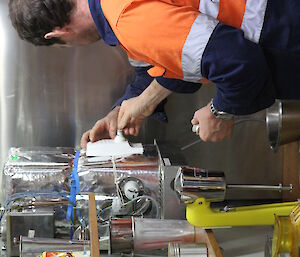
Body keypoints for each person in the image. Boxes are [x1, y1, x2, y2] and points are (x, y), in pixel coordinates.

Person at [8, 0, 300, 146]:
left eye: (65, 45)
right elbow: (166, 61)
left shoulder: (128, 22)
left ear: (56, 33)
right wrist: (123, 109)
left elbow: (238, 63)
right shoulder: (116, 11)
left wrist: (219, 111)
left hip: (279, 32)